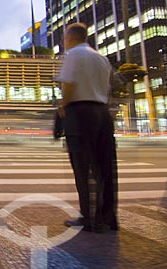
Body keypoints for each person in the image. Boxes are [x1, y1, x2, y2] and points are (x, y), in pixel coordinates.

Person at [56, 23, 118, 232]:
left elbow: (69, 84)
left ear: (71, 38)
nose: (64, 42)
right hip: (102, 112)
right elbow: (107, 88)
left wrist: (63, 106)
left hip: (80, 113)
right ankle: (108, 217)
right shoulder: (101, 58)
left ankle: (89, 218)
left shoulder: (73, 54)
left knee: (83, 168)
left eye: (65, 38)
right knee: (105, 168)